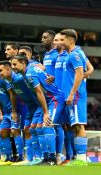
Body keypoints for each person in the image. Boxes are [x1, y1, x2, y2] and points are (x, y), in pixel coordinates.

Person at [11, 55, 65, 165]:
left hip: (54, 99)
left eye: (15, 64)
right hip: (47, 101)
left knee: (47, 125)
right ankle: (46, 157)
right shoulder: (28, 72)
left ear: (22, 62)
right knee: (39, 128)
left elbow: (39, 92)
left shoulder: (30, 73)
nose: (13, 67)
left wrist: (45, 113)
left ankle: (53, 159)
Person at [0, 60, 43, 165]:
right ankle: (29, 159)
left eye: (0, 70)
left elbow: (37, 85)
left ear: (8, 69)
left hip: (37, 106)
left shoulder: (20, 78)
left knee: (37, 130)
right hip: (29, 108)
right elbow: (13, 94)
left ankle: (46, 156)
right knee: (27, 130)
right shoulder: (10, 81)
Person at [0, 57, 24, 165]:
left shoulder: (2, 78)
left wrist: (14, 111)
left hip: (14, 110)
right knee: (2, 132)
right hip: (5, 113)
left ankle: (20, 157)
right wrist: (1, 113)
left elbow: (12, 93)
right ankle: (8, 158)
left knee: (15, 131)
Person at [60, 29, 89, 166]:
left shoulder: (74, 55)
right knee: (74, 126)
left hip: (76, 95)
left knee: (78, 125)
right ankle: (79, 158)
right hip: (73, 95)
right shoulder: (72, 54)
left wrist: (71, 93)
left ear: (70, 40)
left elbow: (79, 74)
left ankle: (82, 159)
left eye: (63, 39)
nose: (61, 42)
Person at [41, 30, 65, 164]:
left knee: (55, 125)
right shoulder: (46, 55)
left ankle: (59, 156)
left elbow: (61, 72)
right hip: (48, 95)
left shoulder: (58, 54)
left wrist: (55, 78)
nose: (42, 40)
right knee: (56, 126)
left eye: (45, 38)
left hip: (57, 94)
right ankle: (56, 156)